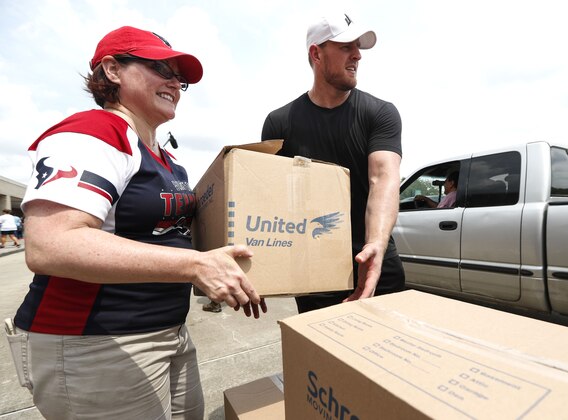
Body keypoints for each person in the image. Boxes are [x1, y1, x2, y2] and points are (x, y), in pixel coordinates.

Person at [6, 26, 265, 419]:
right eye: (162, 67)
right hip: (95, 344)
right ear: (112, 70)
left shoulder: (166, 157)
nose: (175, 82)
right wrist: (196, 266)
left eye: (180, 78)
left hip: (167, 331)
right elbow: (51, 244)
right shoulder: (95, 131)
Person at [261, 12, 405, 313]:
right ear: (316, 53)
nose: (357, 55)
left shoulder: (380, 113)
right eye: (345, 47)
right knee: (322, 358)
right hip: (314, 270)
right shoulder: (279, 123)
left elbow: (383, 178)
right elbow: (270, 200)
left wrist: (375, 246)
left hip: (376, 262)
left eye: (358, 47)